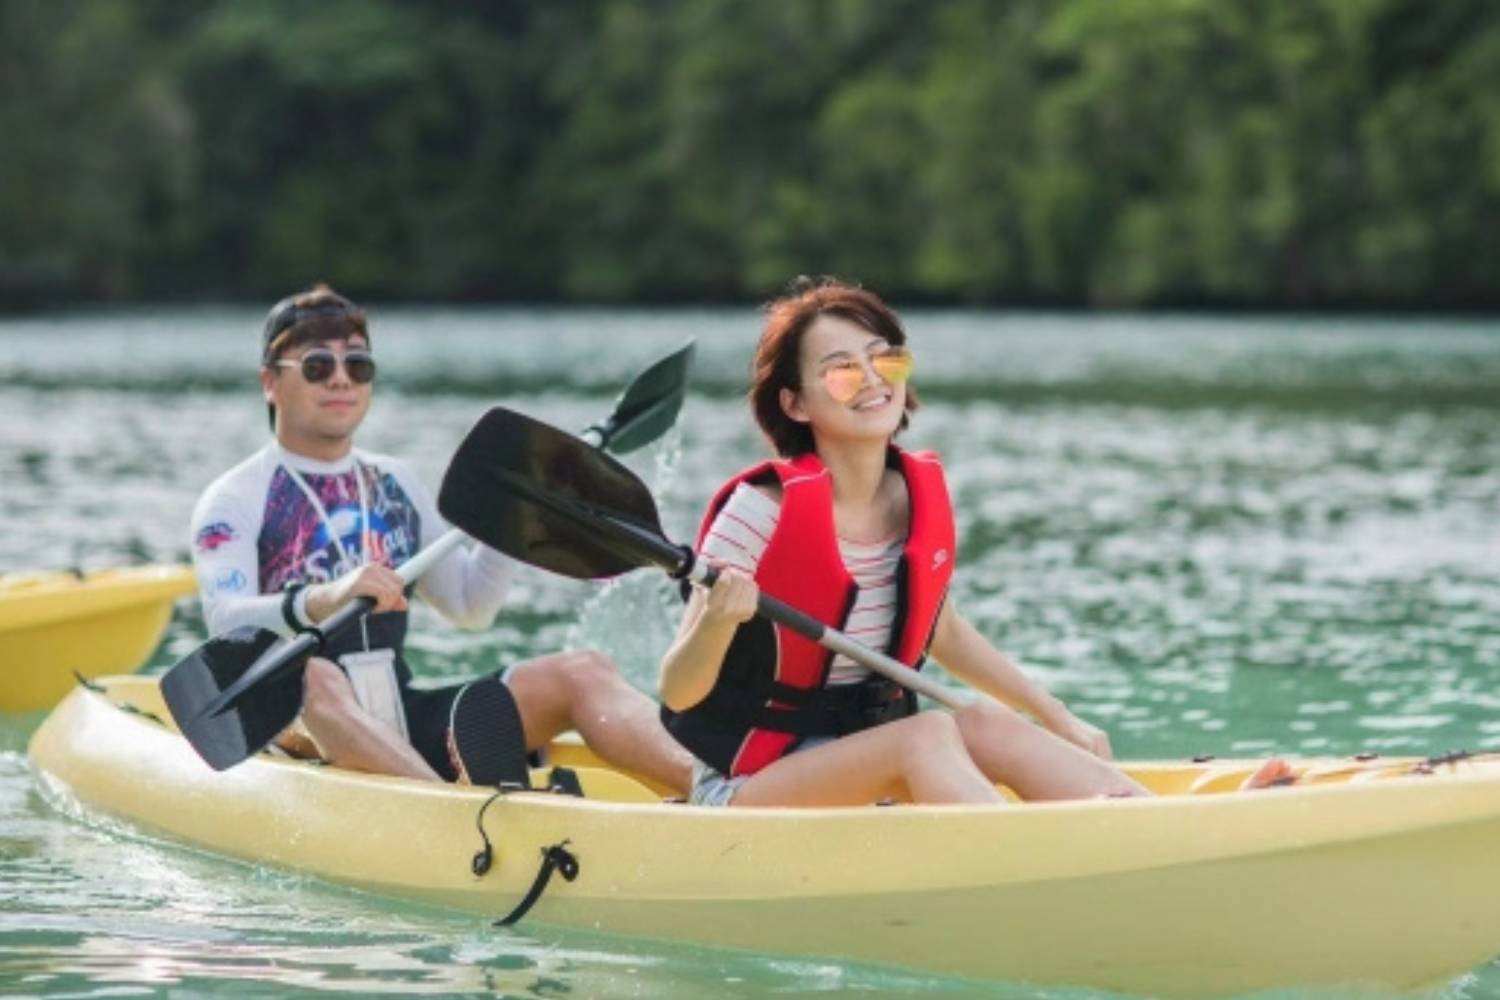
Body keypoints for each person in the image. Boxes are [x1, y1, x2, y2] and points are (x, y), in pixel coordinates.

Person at [190, 284, 693, 793]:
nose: (341, 379)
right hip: (297, 723)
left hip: (400, 713)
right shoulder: (235, 497)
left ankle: (715, 790)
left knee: (585, 670)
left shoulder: (394, 482)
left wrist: (515, 519)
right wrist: (328, 596)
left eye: (358, 366)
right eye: (318, 366)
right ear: (270, 383)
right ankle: (454, 810)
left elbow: (469, 607)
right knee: (314, 676)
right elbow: (225, 620)